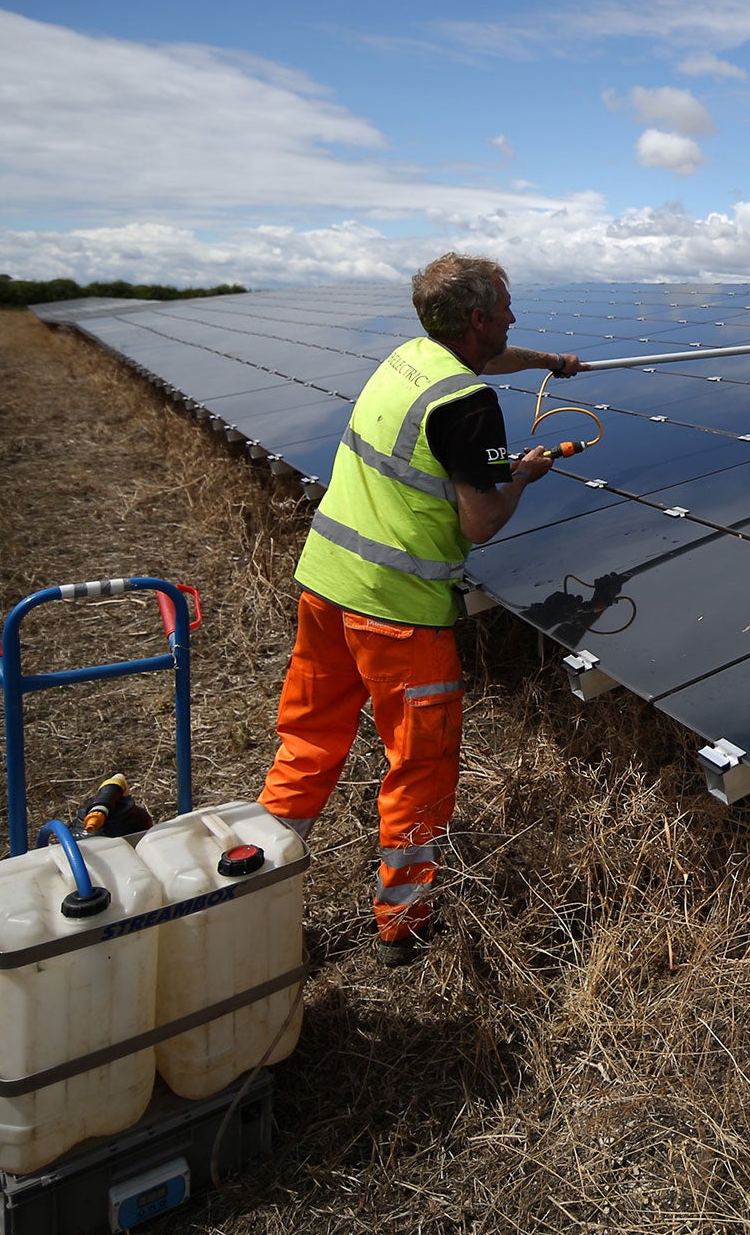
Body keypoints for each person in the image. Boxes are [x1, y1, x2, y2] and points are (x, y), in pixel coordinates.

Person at [258, 252, 585, 966]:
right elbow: (481, 523)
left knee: (309, 738)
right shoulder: (468, 408)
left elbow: (487, 360)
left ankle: (251, 885)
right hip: (397, 614)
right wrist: (523, 476)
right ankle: (404, 924)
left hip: (325, 583)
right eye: (504, 308)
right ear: (476, 319)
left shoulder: (410, 358)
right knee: (421, 766)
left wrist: (552, 361)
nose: (513, 317)